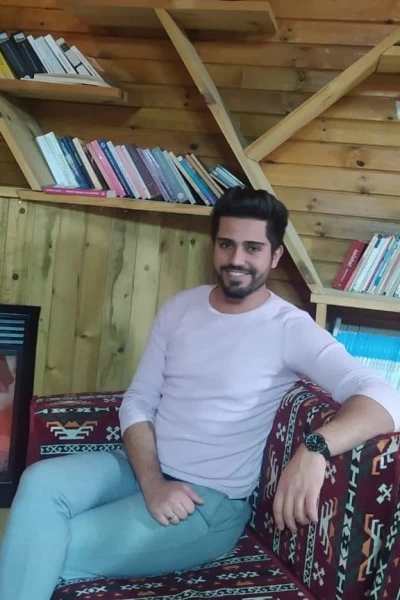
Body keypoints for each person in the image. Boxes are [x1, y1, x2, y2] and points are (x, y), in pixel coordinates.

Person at [0, 186, 399, 600]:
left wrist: (314, 447)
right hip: (139, 469)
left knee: (41, 546)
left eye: (252, 248)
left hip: (209, 503)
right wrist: (153, 482)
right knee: (40, 481)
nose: (236, 259)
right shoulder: (180, 308)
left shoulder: (289, 328)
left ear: (275, 256)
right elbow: (138, 400)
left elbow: (385, 396)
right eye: (226, 244)